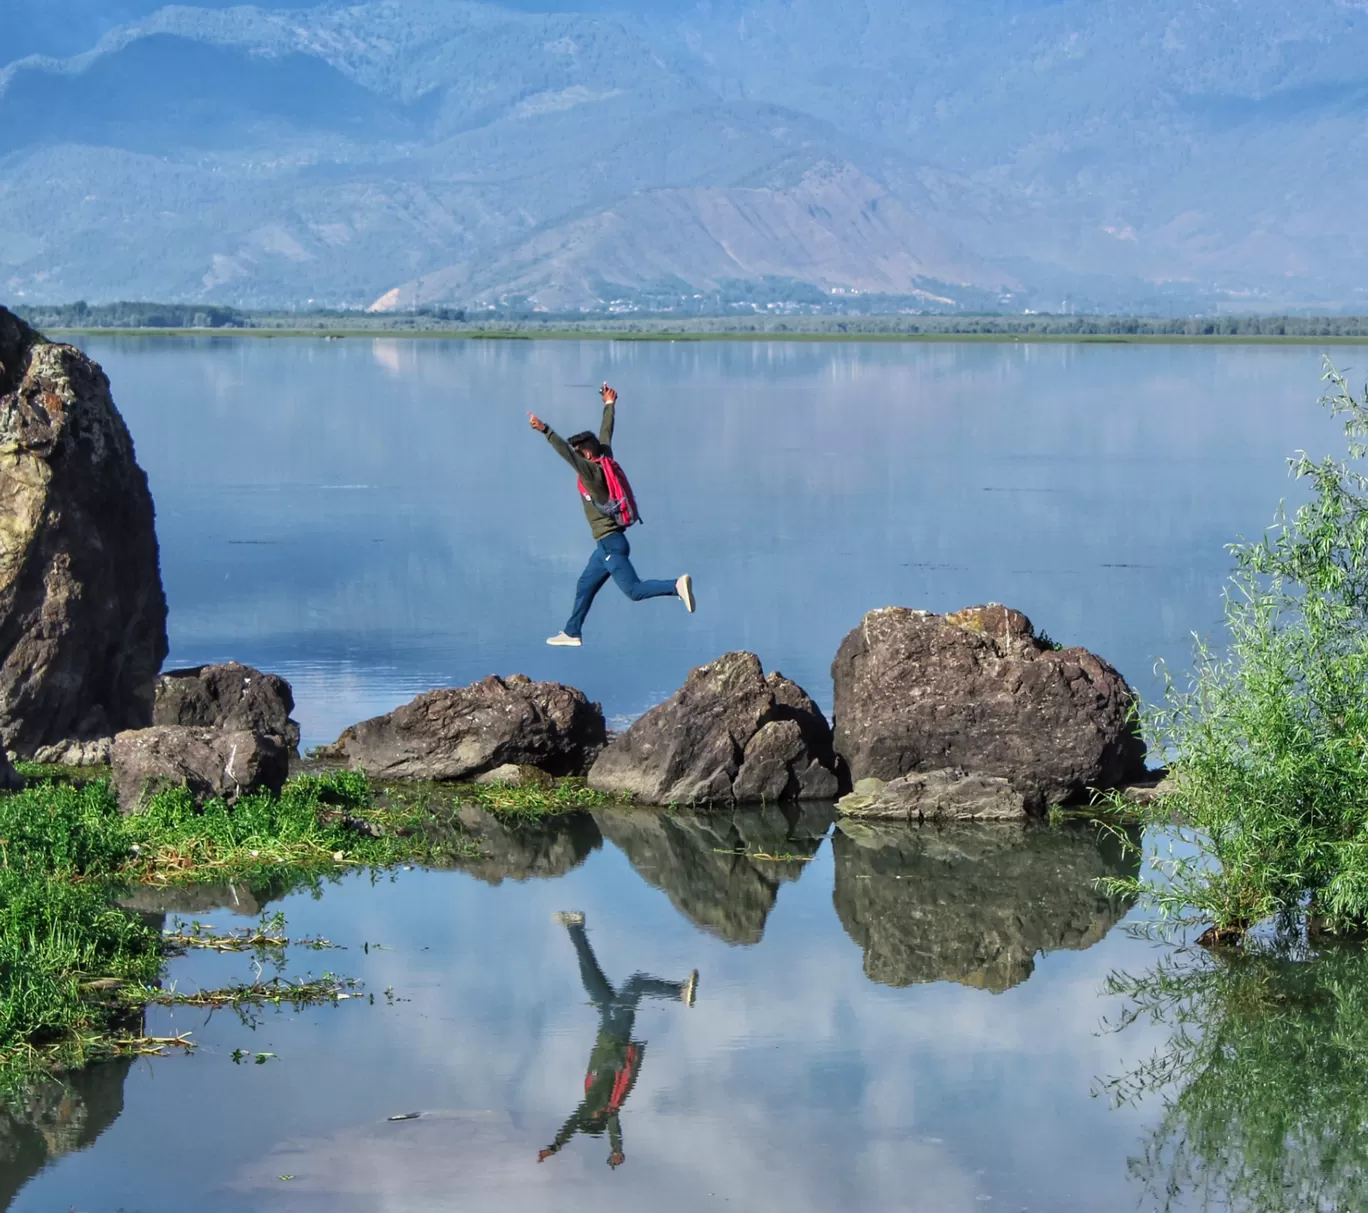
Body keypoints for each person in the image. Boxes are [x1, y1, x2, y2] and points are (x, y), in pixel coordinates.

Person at [528, 383, 695, 647]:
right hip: (606, 545)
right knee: (585, 585)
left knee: (634, 591)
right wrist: (609, 404)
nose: (577, 459)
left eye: (579, 453)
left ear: (587, 454)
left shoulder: (592, 473)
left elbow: (566, 454)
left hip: (610, 543)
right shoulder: (605, 458)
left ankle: (675, 586)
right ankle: (572, 632)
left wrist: (545, 430)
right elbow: (606, 432)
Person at [537, 911, 698, 1170]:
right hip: (616, 1029)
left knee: (590, 978)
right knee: (636, 984)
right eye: (589, 1116)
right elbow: (576, 1121)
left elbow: (611, 1125)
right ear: (594, 1115)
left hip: (607, 1022)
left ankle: (574, 927)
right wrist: (556, 1146)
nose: (585, 1112)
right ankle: (680, 992)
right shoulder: (599, 1100)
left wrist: (615, 1149)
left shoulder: (604, 1102)